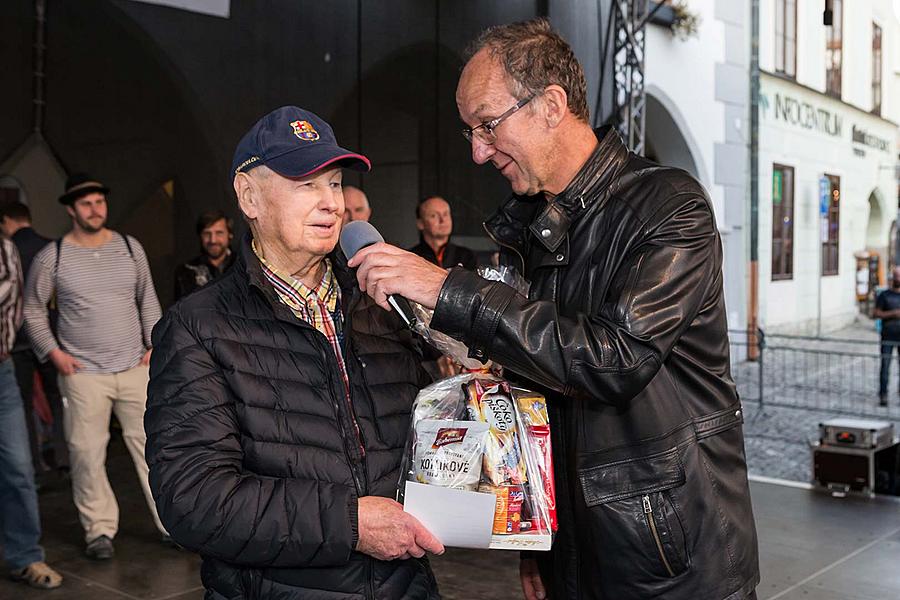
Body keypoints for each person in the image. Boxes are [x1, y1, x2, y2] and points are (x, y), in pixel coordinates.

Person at [349, 18, 759, 600]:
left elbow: (614, 360)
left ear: (550, 104)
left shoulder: (669, 205)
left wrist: (450, 291)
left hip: (672, 554)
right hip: (576, 544)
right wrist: (535, 536)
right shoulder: (538, 226)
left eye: (487, 125)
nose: (477, 151)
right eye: (470, 131)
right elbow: (546, 384)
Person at [145, 106, 443, 600]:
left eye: (334, 183)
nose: (332, 204)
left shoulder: (381, 306)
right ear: (249, 196)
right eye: (307, 184)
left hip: (405, 585)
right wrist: (349, 523)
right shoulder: (199, 328)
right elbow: (193, 500)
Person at [23, 173, 167, 560]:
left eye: (99, 202)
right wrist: (54, 354)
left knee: (155, 449)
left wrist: (155, 344)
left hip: (135, 367)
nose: (95, 209)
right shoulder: (51, 256)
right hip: (83, 373)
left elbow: (147, 299)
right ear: (71, 209)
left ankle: (173, 524)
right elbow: (33, 310)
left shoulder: (128, 247)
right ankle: (99, 530)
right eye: (86, 203)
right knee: (86, 454)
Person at [0, 233, 62, 589]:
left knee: (19, 467)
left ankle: (25, 557)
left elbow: (12, 302)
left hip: (2, 371)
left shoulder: (4, 249)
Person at [0, 200, 68, 476]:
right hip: (51, 335)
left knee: (24, 405)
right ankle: (65, 458)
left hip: (16, 341)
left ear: (6, 220)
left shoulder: (8, 249)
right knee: (58, 398)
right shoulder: (52, 247)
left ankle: (34, 464)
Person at [173, 209, 236, 300]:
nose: (213, 240)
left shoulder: (243, 266)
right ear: (200, 236)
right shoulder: (186, 270)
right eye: (207, 233)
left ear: (230, 235)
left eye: (219, 233)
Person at [408, 196, 476, 270]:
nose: (442, 220)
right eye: (434, 215)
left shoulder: (466, 256)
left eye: (445, 214)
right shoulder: (411, 258)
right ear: (420, 223)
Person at [874, 266, 900, 406]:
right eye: (896, 276)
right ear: (892, 277)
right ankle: (883, 394)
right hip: (888, 336)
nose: (898, 279)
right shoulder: (884, 295)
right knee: (885, 367)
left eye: (899, 276)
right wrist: (893, 314)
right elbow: (876, 313)